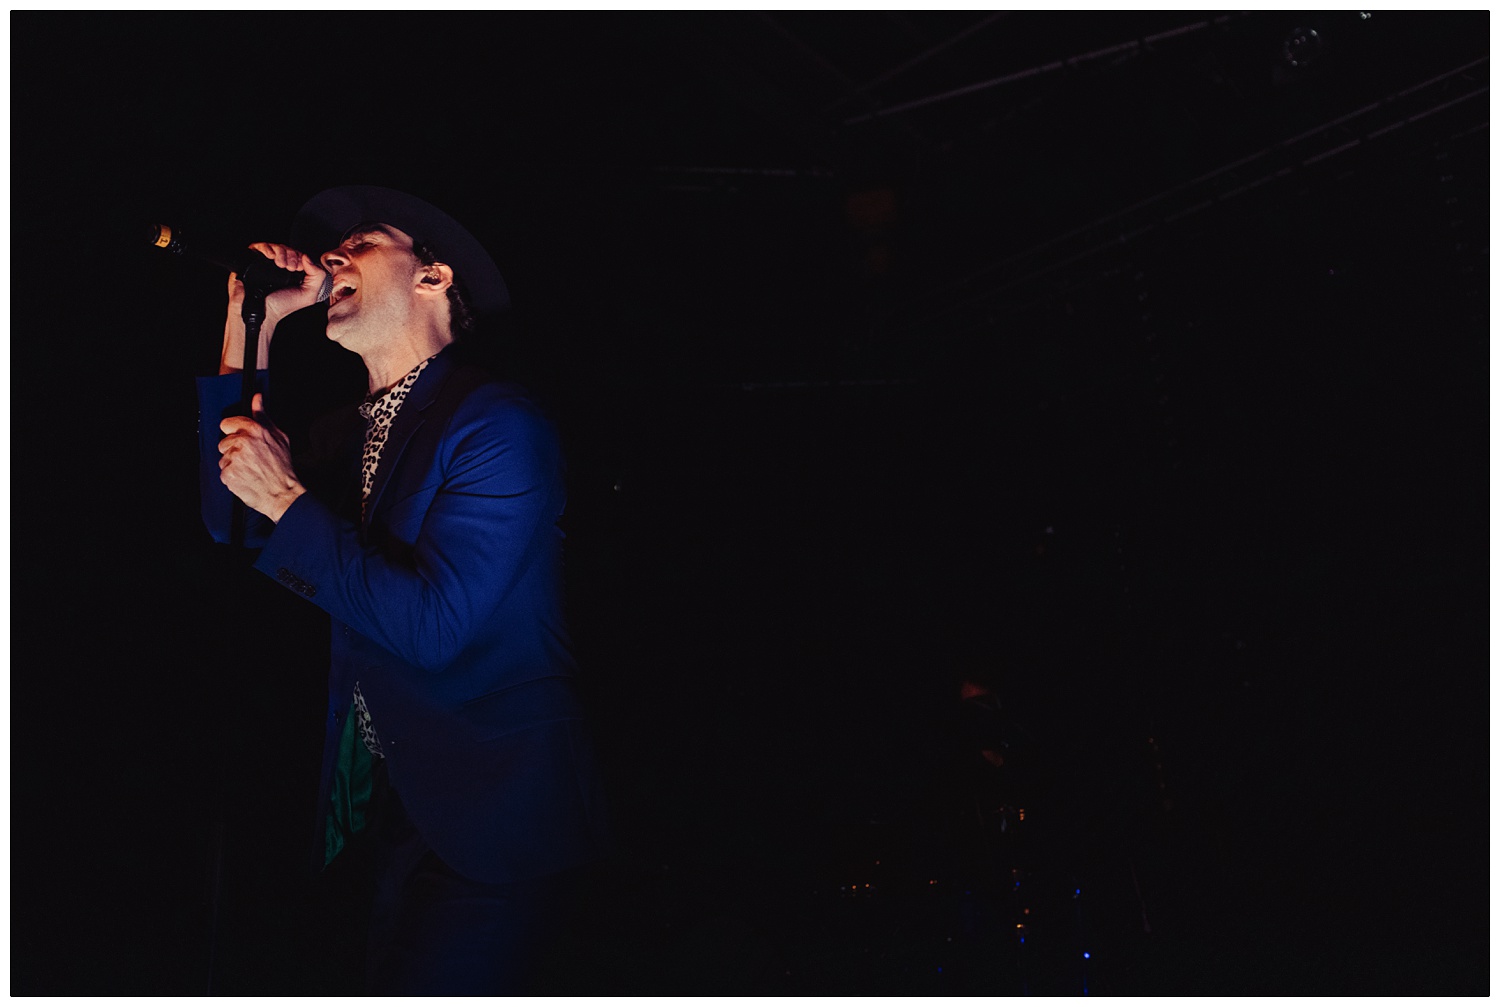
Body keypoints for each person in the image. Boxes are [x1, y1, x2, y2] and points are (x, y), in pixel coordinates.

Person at [197, 186, 608, 993]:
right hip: (382, 812)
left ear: (433, 275)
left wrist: (287, 499)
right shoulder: (350, 433)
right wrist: (252, 325)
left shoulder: (498, 423)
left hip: (495, 823)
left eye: (364, 240)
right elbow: (232, 522)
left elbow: (432, 629)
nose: (333, 257)